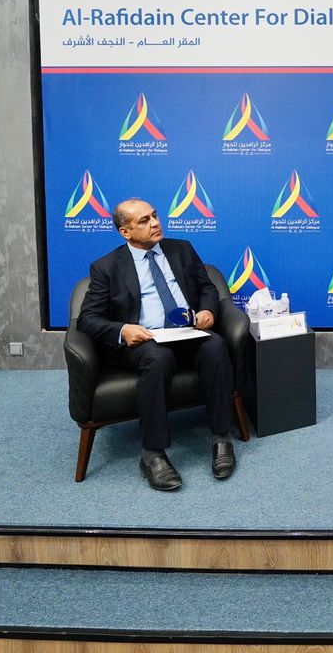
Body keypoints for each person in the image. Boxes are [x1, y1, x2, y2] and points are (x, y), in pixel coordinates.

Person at [77, 197, 236, 491]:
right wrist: (123, 329)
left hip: (187, 332)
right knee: (158, 358)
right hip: (144, 340)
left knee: (215, 346)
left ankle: (221, 437)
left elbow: (207, 288)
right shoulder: (106, 267)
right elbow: (87, 319)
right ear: (125, 232)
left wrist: (207, 310)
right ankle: (152, 453)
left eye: (155, 215)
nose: (155, 223)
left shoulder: (182, 249)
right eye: (144, 221)